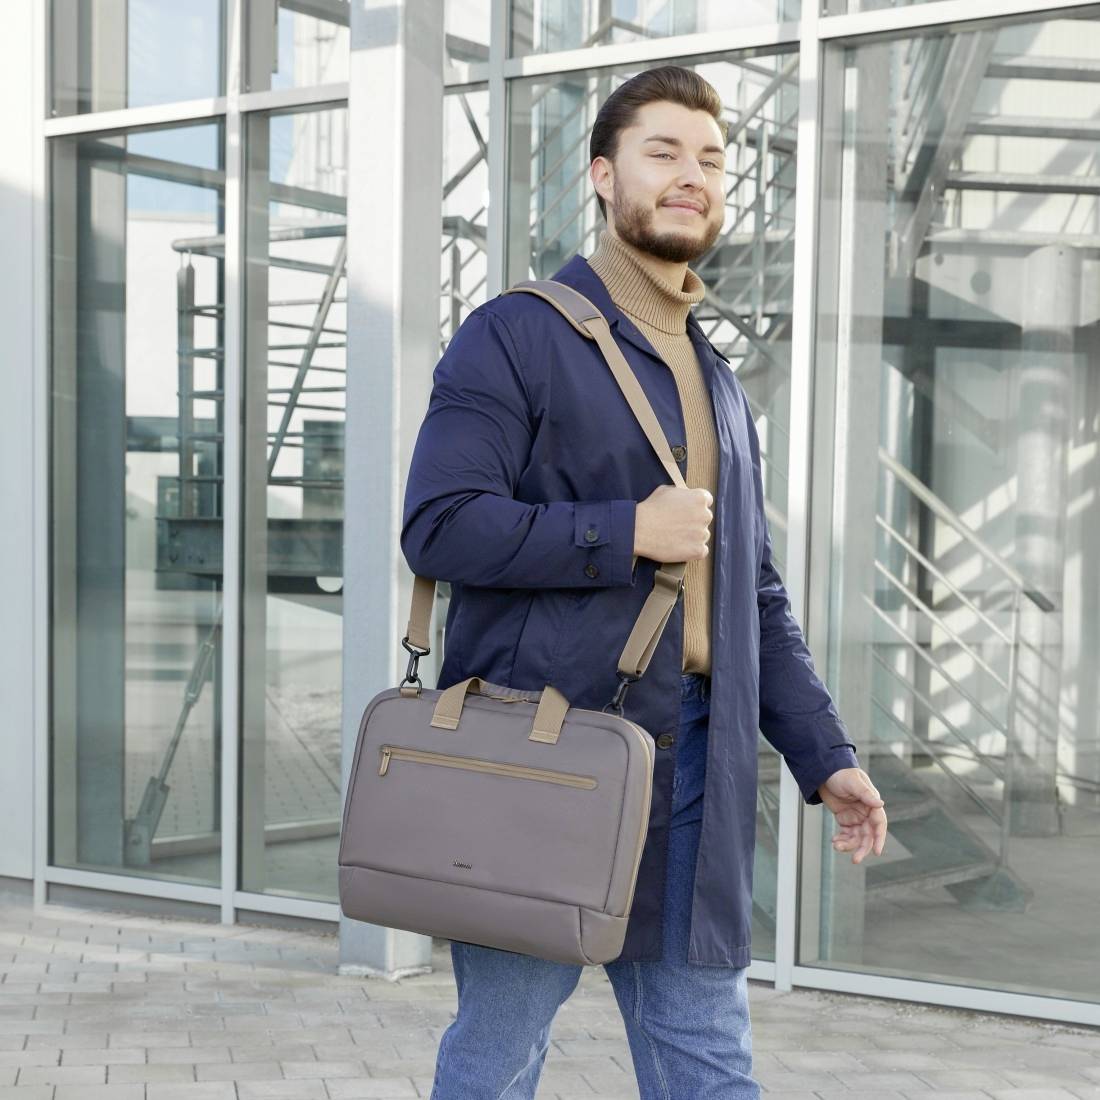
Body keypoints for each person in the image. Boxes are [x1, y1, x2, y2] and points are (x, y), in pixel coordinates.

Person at [401, 64, 888, 1100]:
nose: (692, 176)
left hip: (698, 767)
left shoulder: (717, 380)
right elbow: (439, 526)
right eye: (663, 152)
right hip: (549, 754)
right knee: (501, 1050)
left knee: (708, 1064)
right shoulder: (515, 334)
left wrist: (824, 755)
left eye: (710, 159)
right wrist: (626, 530)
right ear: (600, 173)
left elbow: (751, 596)